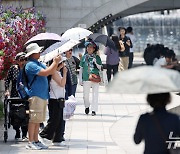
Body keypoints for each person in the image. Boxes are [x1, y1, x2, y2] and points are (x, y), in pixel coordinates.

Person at [24, 43, 61, 150]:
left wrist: (56, 63)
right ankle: (31, 141)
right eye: (38, 51)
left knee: (38, 119)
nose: (40, 52)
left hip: (42, 95)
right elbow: (46, 72)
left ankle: (36, 140)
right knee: (34, 119)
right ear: (32, 53)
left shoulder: (38, 63)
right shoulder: (30, 65)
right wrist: (55, 62)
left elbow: (51, 71)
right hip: (35, 95)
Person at [39, 58, 67, 146]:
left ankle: (57, 138)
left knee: (59, 119)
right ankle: (44, 134)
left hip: (59, 98)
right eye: (62, 63)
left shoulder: (57, 72)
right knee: (54, 119)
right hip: (54, 99)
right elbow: (62, 83)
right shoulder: (54, 73)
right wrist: (65, 74)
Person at [4, 52, 28, 140]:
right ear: (17, 61)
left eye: (25, 60)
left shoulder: (27, 69)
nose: (23, 62)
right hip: (15, 94)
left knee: (26, 113)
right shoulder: (13, 69)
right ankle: (17, 131)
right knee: (14, 113)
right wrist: (7, 90)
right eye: (21, 60)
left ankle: (25, 133)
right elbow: (7, 80)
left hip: (25, 94)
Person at [79, 40, 102, 116]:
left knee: (95, 94)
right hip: (86, 78)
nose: (89, 49)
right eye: (88, 47)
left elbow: (100, 68)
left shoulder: (97, 57)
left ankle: (94, 110)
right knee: (85, 95)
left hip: (95, 77)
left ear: (94, 49)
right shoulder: (84, 57)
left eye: (91, 47)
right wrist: (80, 79)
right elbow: (81, 68)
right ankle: (87, 106)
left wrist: (96, 62)